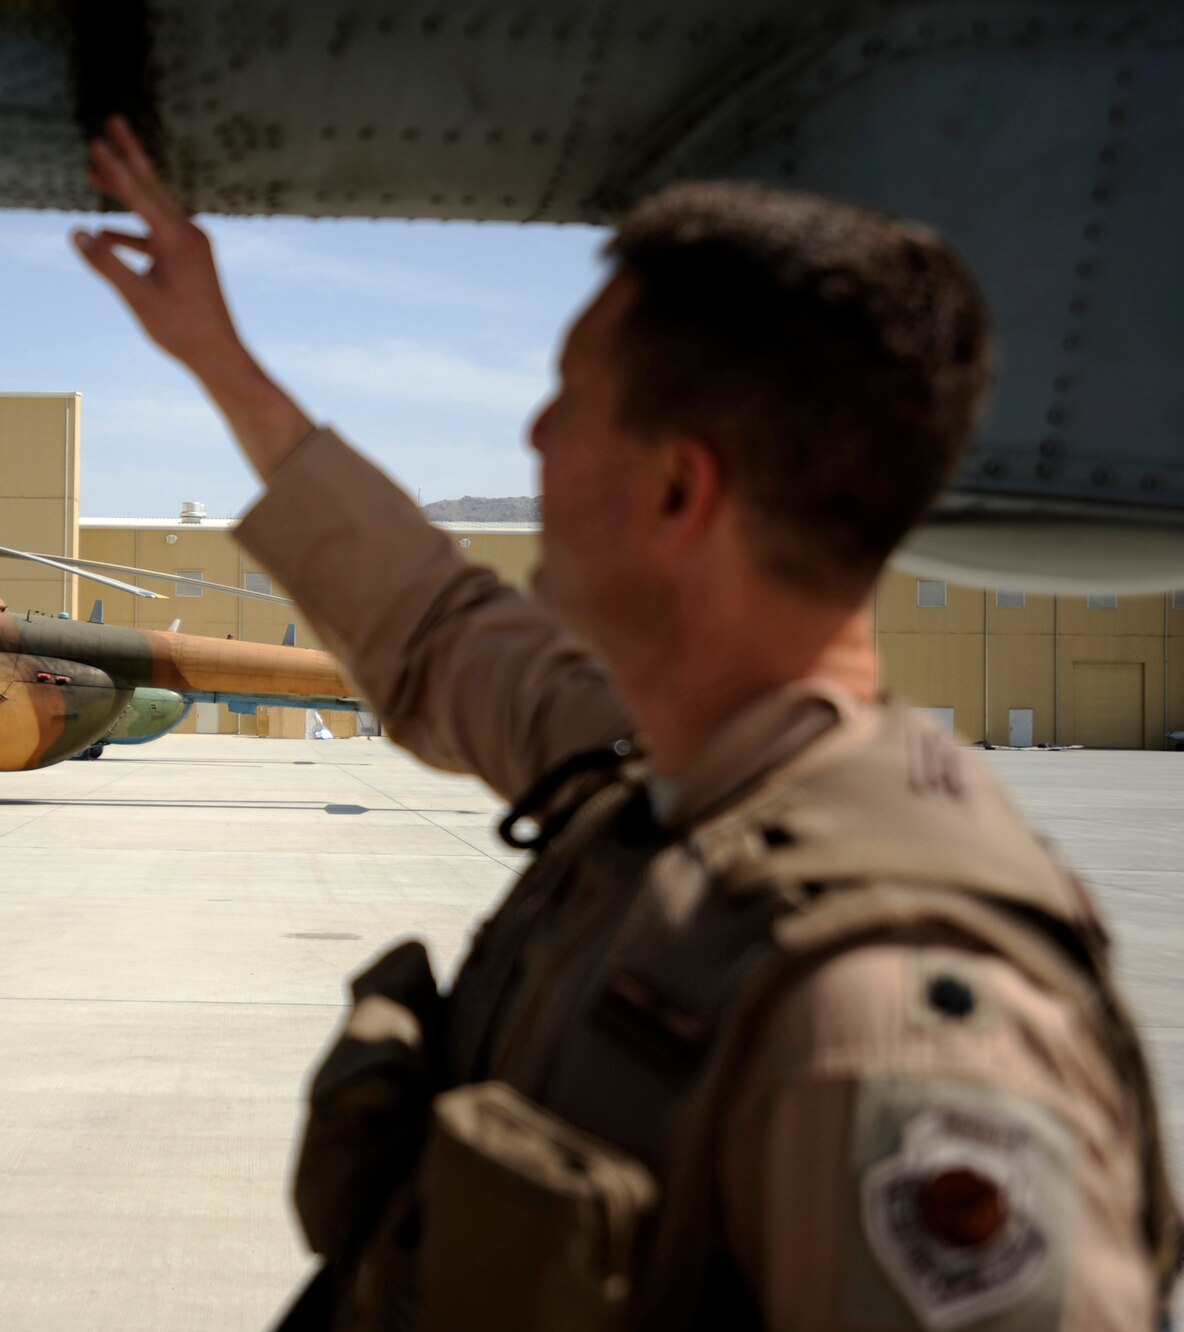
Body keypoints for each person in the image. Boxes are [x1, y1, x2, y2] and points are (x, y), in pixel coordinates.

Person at [72, 116, 1180, 1330]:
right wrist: (216, 355)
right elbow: (430, 619)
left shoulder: (892, 1024)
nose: (534, 439)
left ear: (676, 490)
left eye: (568, 402)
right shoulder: (655, 777)